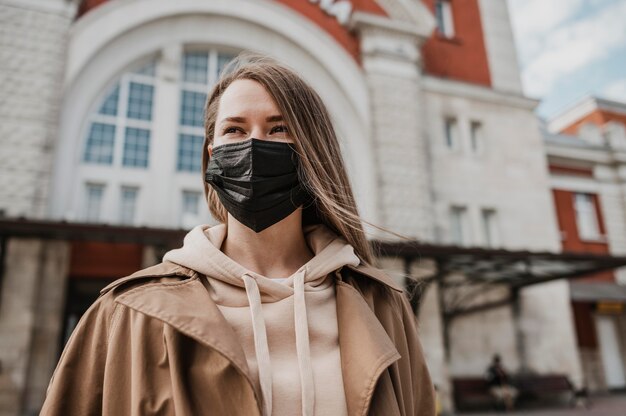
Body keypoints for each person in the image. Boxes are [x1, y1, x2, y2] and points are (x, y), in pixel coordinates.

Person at [40, 52, 436, 415]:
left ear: (313, 150)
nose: (254, 145)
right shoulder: (126, 312)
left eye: (279, 128)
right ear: (212, 155)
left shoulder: (382, 305)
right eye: (234, 130)